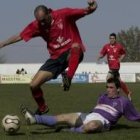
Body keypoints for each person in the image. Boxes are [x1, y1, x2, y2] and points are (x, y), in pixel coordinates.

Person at [0, 1, 98, 114]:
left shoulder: (64, 14)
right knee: (33, 85)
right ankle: (42, 108)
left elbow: (85, 11)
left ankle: (68, 79)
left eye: (43, 20)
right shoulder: (37, 25)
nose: (41, 23)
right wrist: (3, 43)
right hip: (55, 58)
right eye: (39, 21)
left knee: (75, 46)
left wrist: (93, 6)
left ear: (48, 13)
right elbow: (20, 36)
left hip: (72, 53)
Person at [21, 78, 140, 133]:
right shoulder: (102, 96)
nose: (108, 90)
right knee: (63, 117)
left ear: (118, 89)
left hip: (103, 121)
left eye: (111, 87)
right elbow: (96, 109)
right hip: (90, 115)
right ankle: (34, 119)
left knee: (91, 126)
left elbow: (136, 116)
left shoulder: (123, 102)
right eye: (107, 87)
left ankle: (66, 129)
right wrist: (87, 116)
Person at [97, 33, 132, 100]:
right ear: (109, 39)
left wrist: (120, 59)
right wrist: (99, 57)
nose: (111, 39)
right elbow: (102, 54)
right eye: (110, 38)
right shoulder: (106, 46)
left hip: (115, 68)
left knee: (108, 79)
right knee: (119, 82)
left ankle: (109, 95)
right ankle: (127, 92)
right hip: (111, 68)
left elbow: (123, 53)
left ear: (115, 39)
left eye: (113, 38)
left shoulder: (119, 46)